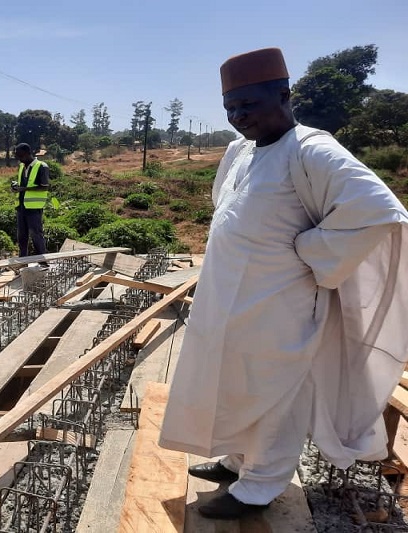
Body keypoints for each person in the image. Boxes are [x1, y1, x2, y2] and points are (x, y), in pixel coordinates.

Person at [159, 48, 408, 519]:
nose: (238, 117)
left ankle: (261, 487)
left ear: (284, 94)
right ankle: (236, 461)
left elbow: (378, 210)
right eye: (231, 108)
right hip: (229, 301)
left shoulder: (311, 148)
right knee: (233, 382)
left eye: (248, 105)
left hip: (282, 306)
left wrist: (311, 251)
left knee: (277, 393)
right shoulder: (240, 151)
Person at [11, 143, 50, 266]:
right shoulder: (22, 166)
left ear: (28, 153)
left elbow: (44, 187)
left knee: (36, 235)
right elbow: (23, 183)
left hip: (34, 208)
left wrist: (24, 189)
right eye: (17, 156)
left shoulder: (42, 166)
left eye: (20, 156)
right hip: (21, 207)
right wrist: (16, 187)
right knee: (22, 236)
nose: (19, 159)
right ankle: (23, 263)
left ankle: (43, 263)